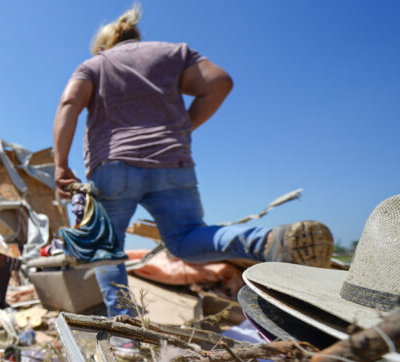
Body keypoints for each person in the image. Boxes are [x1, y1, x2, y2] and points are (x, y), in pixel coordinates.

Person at [53, 6, 333, 317]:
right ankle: (267, 241)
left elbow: (69, 103)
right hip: (172, 163)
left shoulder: (94, 64)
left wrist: (61, 164)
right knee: (187, 239)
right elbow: (219, 81)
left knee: (106, 251)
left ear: (104, 46)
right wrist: (183, 127)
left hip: (113, 165)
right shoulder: (173, 53)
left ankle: (127, 332)